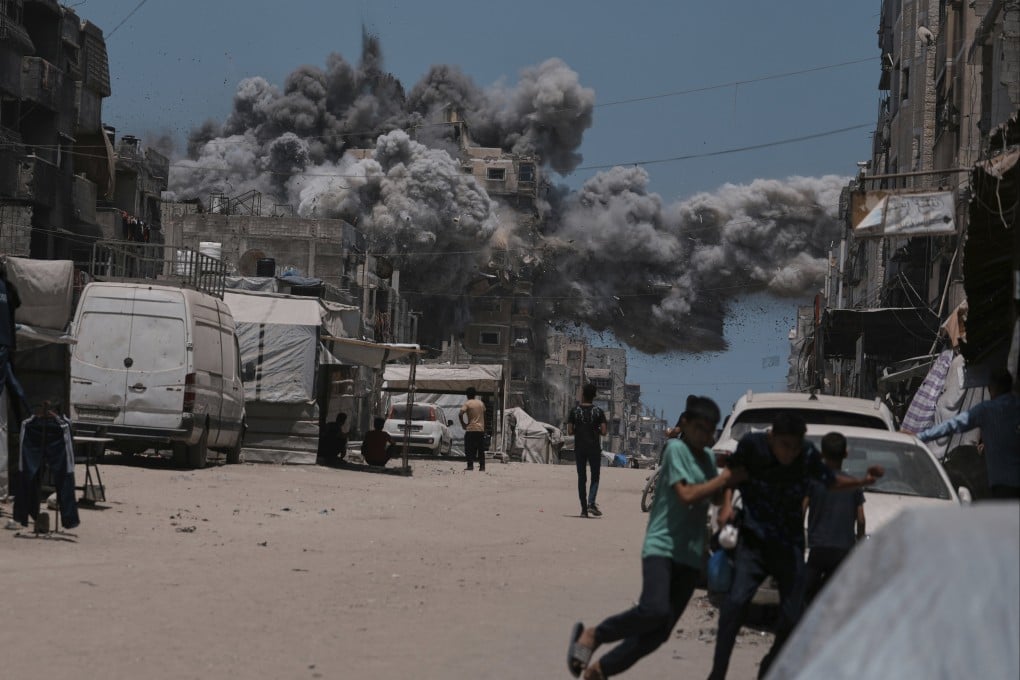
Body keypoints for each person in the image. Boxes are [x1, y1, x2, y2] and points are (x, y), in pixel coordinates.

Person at [566, 396, 744, 679]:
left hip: (691, 554)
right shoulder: (676, 450)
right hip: (662, 545)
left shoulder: (709, 458)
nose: (705, 436)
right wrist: (726, 479)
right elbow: (686, 494)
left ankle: (600, 670)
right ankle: (594, 635)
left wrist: (725, 505)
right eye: (699, 428)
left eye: (710, 431)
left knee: (660, 632)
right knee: (654, 610)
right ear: (685, 424)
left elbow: (720, 491)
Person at [708, 412, 884, 680]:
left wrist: (862, 482)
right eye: (785, 446)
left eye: (795, 446)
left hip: (788, 546)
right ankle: (718, 672)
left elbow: (830, 479)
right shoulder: (752, 445)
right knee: (734, 605)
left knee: (793, 616)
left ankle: (769, 667)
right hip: (754, 542)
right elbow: (732, 474)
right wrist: (727, 505)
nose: (791, 453)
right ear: (772, 438)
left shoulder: (807, 454)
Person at [914, 368, 1020, 499]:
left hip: (1001, 486)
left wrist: (919, 437)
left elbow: (951, 425)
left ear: (994, 387)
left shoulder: (987, 410)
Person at [802, 432, 866, 604]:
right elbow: (860, 519)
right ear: (845, 454)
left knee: (806, 594)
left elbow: (801, 509)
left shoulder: (815, 481)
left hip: (818, 548)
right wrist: (860, 541)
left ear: (821, 454)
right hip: (843, 549)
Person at [568, 383, 608, 517]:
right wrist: (594, 430)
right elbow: (604, 431)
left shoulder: (574, 411)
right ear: (594, 396)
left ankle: (584, 510)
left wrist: (579, 430)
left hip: (580, 447)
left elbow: (569, 431)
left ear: (583, 395)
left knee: (582, 478)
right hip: (594, 448)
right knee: (595, 476)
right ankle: (591, 502)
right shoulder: (599, 412)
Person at [459, 387, 486, 471]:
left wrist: (463, 424)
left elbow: (460, 414)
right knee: (481, 448)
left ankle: (470, 465)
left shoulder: (467, 403)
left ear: (467, 395)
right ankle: (482, 466)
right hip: (480, 429)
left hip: (471, 429)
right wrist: (484, 426)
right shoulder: (481, 403)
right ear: (475, 394)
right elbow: (484, 414)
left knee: (469, 448)